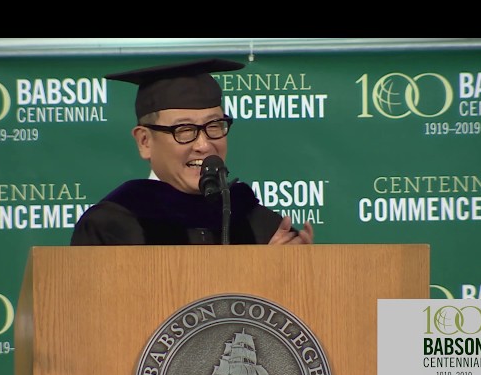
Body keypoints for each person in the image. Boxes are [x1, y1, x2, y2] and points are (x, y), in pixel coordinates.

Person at [70, 58, 313, 246]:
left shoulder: (259, 224)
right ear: (145, 141)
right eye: (184, 130)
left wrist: (290, 272)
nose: (204, 144)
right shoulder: (112, 227)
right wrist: (256, 273)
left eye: (214, 126)